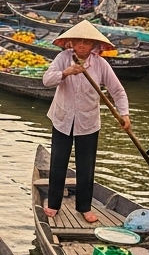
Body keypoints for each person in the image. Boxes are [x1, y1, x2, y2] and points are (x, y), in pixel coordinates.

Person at [41, 21, 131, 224]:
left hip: (88, 121)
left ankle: (84, 207)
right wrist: (65, 73)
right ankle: (54, 204)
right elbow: (46, 80)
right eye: (78, 41)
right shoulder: (63, 59)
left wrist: (124, 114)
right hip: (63, 119)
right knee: (58, 162)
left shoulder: (100, 64)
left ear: (93, 45)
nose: (81, 45)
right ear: (71, 42)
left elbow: (117, 91)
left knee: (86, 166)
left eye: (86, 42)